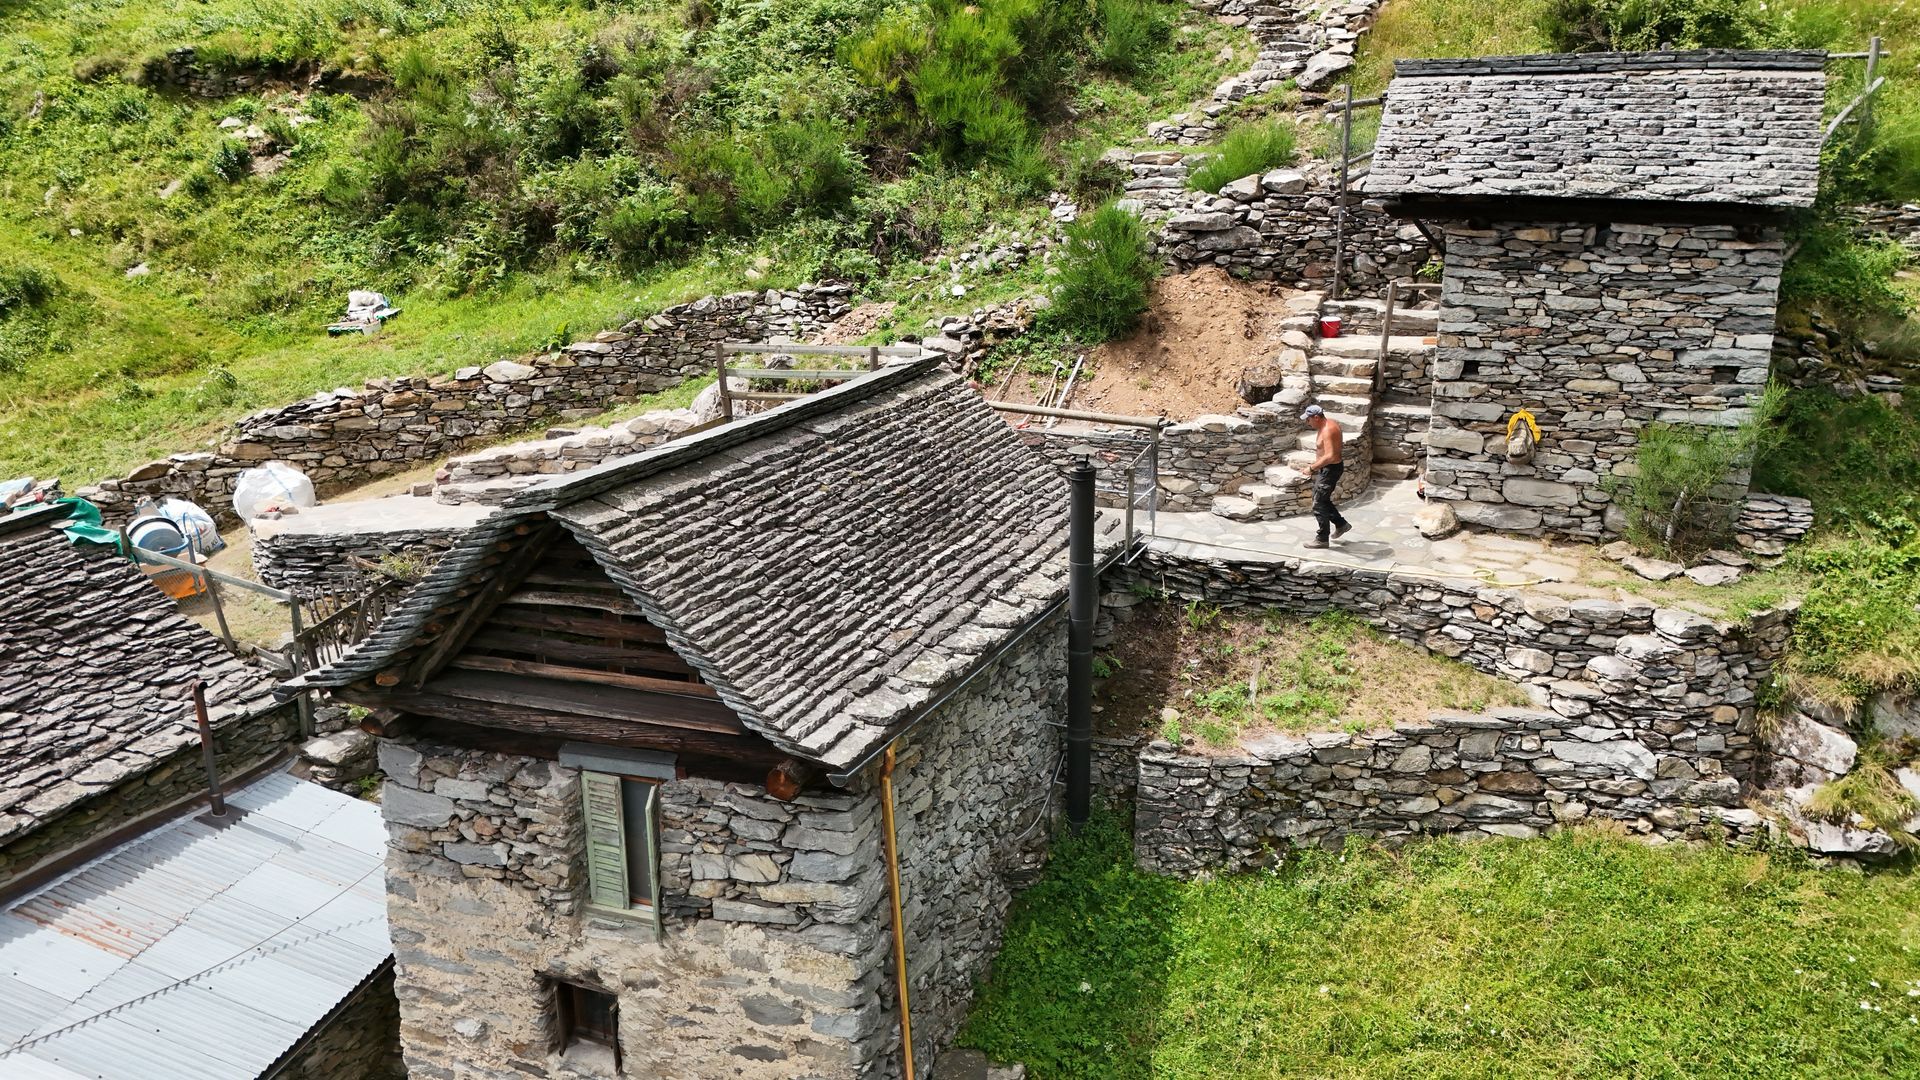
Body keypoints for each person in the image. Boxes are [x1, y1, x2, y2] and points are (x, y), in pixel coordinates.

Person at [1301, 404, 1351, 548]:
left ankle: (1322, 539)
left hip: (1330, 470)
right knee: (1321, 499)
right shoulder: (1324, 426)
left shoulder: (1328, 429)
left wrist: (1311, 468)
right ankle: (1341, 524)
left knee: (1318, 503)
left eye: (1308, 419)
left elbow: (1330, 455)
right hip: (1327, 469)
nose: (1307, 422)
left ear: (1316, 417)